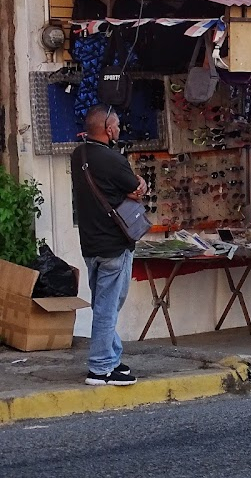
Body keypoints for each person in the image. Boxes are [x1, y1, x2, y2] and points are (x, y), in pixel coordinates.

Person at [70, 104, 147, 386]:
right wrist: (141, 183)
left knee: (106, 304)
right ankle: (100, 368)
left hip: (91, 245)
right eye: (115, 125)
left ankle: (111, 358)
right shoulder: (114, 160)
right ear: (107, 129)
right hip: (114, 244)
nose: (118, 129)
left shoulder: (78, 155)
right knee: (108, 306)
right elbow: (136, 191)